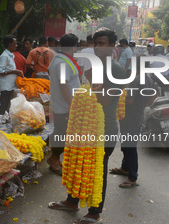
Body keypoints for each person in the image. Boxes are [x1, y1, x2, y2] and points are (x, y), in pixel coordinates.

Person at [48, 28, 125, 224]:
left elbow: (105, 100)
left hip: (104, 129)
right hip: (87, 127)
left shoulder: (114, 68)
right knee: (79, 166)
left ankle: (94, 212)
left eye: (103, 43)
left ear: (112, 46)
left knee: (97, 170)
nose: (98, 47)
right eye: (96, 43)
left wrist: (91, 80)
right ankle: (72, 201)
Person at [110, 55, 155, 188]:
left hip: (130, 117)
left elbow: (129, 100)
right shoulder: (148, 79)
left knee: (129, 146)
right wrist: (142, 106)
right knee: (128, 143)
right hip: (137, 115)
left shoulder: (135, 80)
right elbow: (153, 97)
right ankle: (125, 168)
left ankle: (132, 177)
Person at [47, 33, 80, 175]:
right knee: (62, 134)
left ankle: (56, 159)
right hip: (64, 106)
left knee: (62, 133)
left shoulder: (60, 59)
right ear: (73, 46)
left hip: (63, 105)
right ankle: (54, 159)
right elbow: (63, 84)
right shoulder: (62, 62)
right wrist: (71, 105)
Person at [0, 35, 23, 116]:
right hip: (6, 85)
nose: (16, 46)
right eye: (15, 44)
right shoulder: (4, 56)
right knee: (4, 104)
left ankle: (3, 117)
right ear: (9, 44)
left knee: (7, 104)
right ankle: (0, 117)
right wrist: (14, 71)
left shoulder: (10, 55)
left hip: (11, 85)